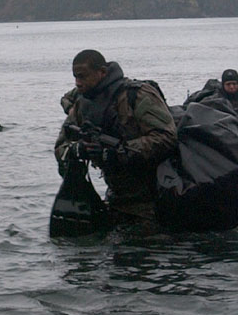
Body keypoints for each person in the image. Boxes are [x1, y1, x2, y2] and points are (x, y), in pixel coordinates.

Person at [54, 49, 177, 228]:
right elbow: (61, 146)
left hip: (153, 199)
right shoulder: (83, 105)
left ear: (102, 72)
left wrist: (118, 152)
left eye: (83, 77)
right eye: (75, 77)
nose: (78, 83)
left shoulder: (137, 95)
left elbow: (167, 137)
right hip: (116, 198)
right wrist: (77, 150)